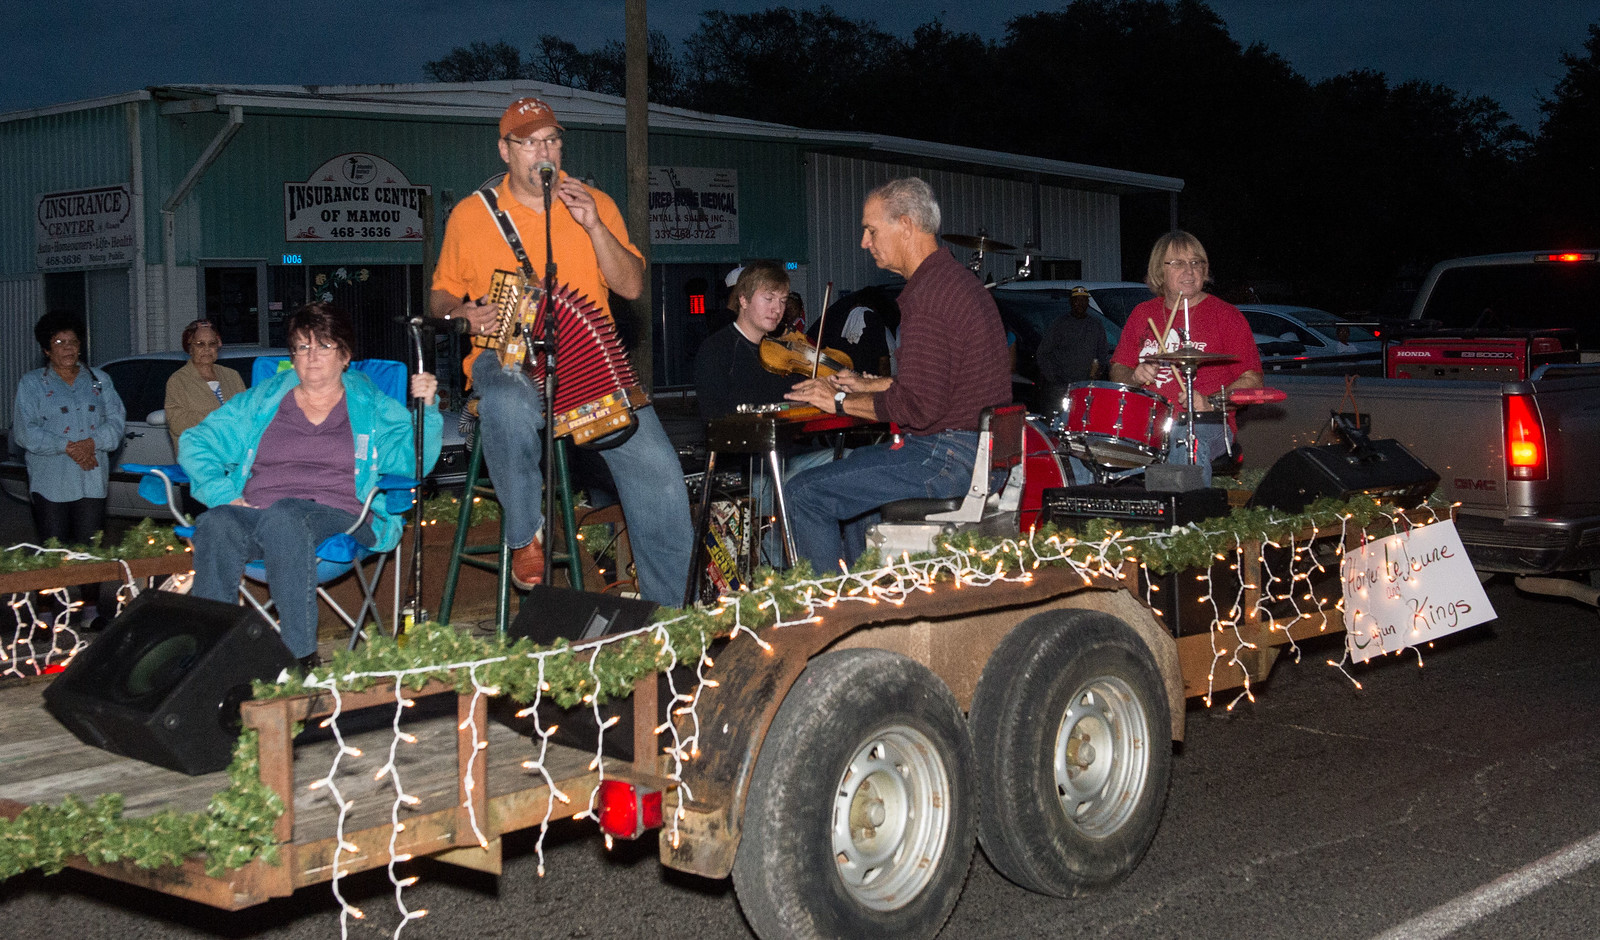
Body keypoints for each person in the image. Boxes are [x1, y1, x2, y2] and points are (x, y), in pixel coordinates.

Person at [430, 96, 692, 606]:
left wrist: (594, 225)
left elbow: (633, 286)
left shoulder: (594, 202)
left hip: (586, 366)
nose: (542, 150)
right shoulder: (471, 214)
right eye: (528, 142)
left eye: (551, 139)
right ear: (505, 151)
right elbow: (441, 294)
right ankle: (527, 534)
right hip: (503, 354)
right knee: (506, 400)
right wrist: (460, 314)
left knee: (659, 470)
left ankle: (673, 613)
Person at [180, 303, 442, 666]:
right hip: (261, 516)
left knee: (286, 515)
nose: (311, 356)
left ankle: (298, 658)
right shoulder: (265, 398)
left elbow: (411, 460)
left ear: (346, 355)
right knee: (215, 522)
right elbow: (196, 442)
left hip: (344, 517)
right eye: (302, 347)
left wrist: (427, 409)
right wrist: (225, 495)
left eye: (323, 346)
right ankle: (214, 660)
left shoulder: (370, 404)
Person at [784, 178, 1011, 573]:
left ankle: (828, 618)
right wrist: (869, 384)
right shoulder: (957, 282)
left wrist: (836, 400)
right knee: (857, 502)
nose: (864, 242)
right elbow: (944, 385)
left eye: (871, 230)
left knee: (804, 492)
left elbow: (918, 408)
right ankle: (868, 598)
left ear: (905, 225)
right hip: (977, 452)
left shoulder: (929, 295)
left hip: (948, 455)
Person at [694, 261, 837, 566]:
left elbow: (803, 394)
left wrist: (836, 386)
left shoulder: (783, 352)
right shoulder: (716, 351)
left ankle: (831, 568)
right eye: (768, 299)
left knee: (846, 459)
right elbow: (715, 417)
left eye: (783, 301)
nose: (778, 310)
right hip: (748, 469)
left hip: (786, 460)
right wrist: (778, 410)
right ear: (743, 300)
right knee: (794, 495)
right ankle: (781, 570)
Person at [1108, 231, 1262, 482]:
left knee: (1182, 440)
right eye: (1178, 263)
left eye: (1196, 262)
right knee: (1088, 446)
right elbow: (1118, 370)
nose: (1190, 271)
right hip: (1147, 424)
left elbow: (1252, 381)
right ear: (1160, 270)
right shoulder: (1142, 314)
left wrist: (1211, 403)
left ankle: (1186, 518)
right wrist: (1134, 375)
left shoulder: (1226, 316)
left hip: (1208, 424)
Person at [12, 311, 125, 547]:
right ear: (46, 350)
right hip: (50, 483)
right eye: (59, 343)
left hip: (91, 481)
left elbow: (116, 423)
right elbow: (25, 431)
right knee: (53, 555)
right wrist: (68, 447)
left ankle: (90, 587)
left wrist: (91, 444)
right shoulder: (32, 383)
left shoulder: (100, 380)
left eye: (73, 342)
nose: (67, 348)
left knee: (91, 554)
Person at [164, 318, 246, 451]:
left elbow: (246, 412)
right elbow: (177, 422)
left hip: (235, 457)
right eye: (200, 344)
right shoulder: (178, 380)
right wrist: (220, 417)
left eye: (212, 344)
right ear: (190, 348)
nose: (207, 349)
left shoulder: (232, 376)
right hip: (200, 459)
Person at [1037, 286, 1111, 395]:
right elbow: (1043, 353)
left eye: (1084, 300)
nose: (1080, 303)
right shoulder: (1060, 324)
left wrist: (1100, 370)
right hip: (1063, 386)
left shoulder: (1096, 324)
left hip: (1087, 385)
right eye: (1077, 300)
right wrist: (1054, 379)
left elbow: (1103, 352)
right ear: (1071, 302)